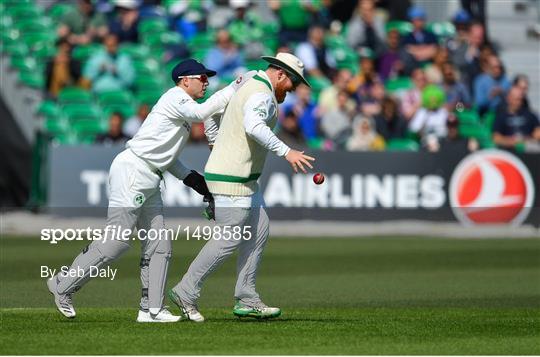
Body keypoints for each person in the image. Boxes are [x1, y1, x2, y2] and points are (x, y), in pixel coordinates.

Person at [46, 59, 252, 323]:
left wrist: (193, 180)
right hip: (133, 172)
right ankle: (62, 284)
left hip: (150, 177)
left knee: (160, 246)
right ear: (185, 80)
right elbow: (202, 114)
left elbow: (166, 157)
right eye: (202, 78)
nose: (207, 83)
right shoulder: (175, 97)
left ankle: (152, 309)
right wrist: (235, 86)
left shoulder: (182, 111)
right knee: (117, 242)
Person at [168, 53, 315, 322]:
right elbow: (253, 126)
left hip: (243, 178)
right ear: (280, 74)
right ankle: (186, 291)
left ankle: (246, 296)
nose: (293, 89)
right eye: (292, 83)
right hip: (231, 178)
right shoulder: (262, 95)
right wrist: (287, 152)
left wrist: (214, 141)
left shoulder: (247, 78)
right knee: (229, 238)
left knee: (259, 229)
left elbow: (212, 111)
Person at [402, 6, 438, 73]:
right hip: (413, 67)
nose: (418, 22)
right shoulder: (407, 37)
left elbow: (434, 51)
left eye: (421, 19)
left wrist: (416, 50)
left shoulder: (431, 35)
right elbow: (408, 52)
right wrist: (425, 49)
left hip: (429, 66)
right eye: (416, 20)